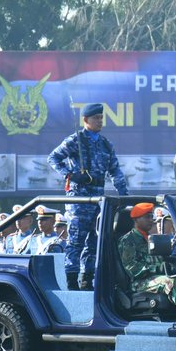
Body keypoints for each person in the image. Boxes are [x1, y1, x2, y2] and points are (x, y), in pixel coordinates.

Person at [48, 102, 130, 288]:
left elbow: (115, 171)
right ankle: (71, 278)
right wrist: (70, 174)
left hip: (97, 197)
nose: (100, 121)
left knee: (94, 240)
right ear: (85, 120)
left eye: (101, 118)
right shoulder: (76, 140)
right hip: (79, 197)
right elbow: (53, 158)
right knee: (76, 239)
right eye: (96, 118)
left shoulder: (105, 144)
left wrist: (124, 194)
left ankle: (87, 277)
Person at [118, 203, 176, 309]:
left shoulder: (151, 238)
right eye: (147, 217)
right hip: (139, 282)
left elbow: (161, 257)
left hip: (153, 277)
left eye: (152, 216)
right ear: (136, 219)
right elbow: (133, 270)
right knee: (169, 282)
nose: (151, 220)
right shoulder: (128, 241)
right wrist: (159, 267)